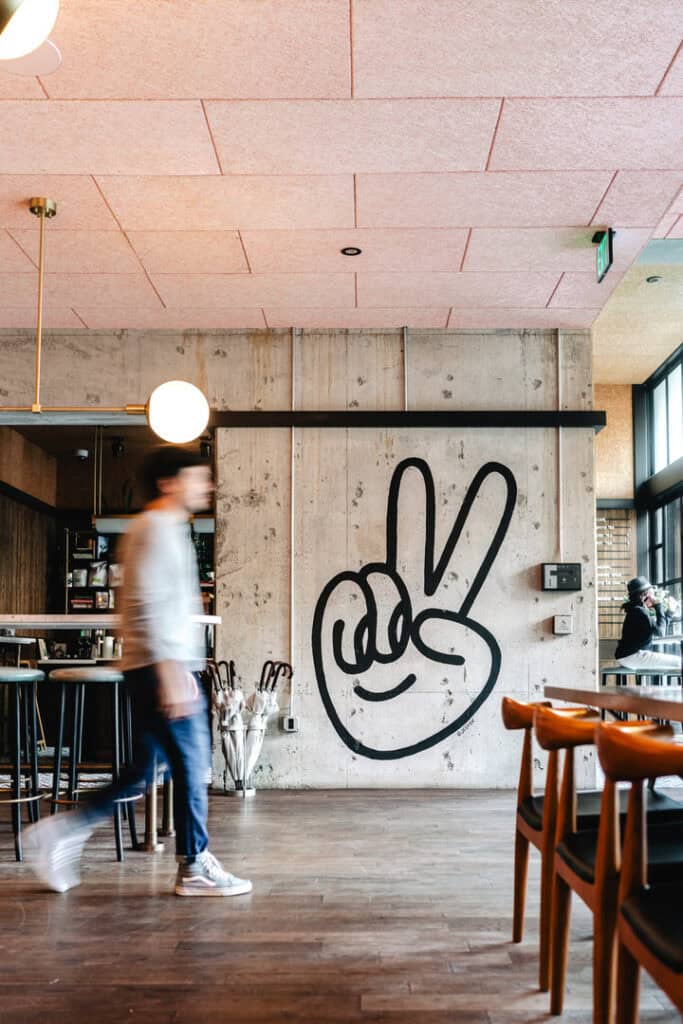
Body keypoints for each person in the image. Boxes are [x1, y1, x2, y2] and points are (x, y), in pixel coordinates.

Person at [25, 446, 252, 898]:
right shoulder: (156, 529)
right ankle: (194, 866)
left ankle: (60, 829)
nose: (206, 486)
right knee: (192, 764)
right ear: (170, 483)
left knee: (143, 771)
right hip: (161, 669)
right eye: (198, 477)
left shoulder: (163, 529)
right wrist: (172, 673)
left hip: (155, 666)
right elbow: (149, 605)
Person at [615, 576, 681, 677]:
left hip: (627, 656)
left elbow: (658, 628)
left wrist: (669, 613)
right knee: (679, 662)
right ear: (645, 594)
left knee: (677, 662)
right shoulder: (639, 612)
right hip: (632, 656)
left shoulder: (637, 610)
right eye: (652, 591)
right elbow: (660, 632)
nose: (654, 594)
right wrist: (658, 606)